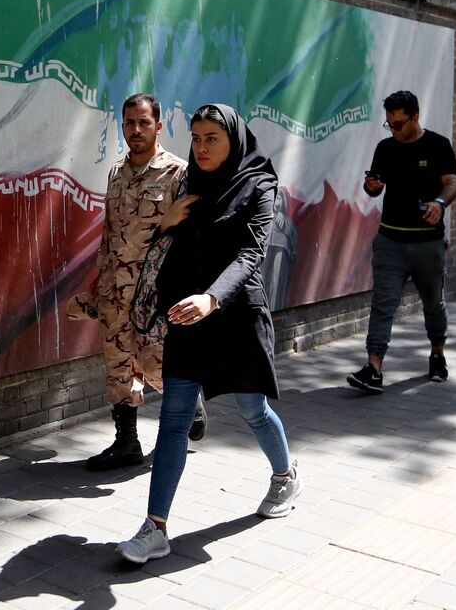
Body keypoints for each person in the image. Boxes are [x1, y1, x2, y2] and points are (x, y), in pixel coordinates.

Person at [116, 103, 301, 564]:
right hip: (187, 314)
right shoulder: (188, 182)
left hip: (235, 314)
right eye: (195, 138)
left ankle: (285, 476)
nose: (200, 147)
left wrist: (212, 299)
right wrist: (166, 224)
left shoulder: (260, 183)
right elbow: (162, 243)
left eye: (211, 139)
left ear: (233, 140)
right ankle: (155, 527)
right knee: (174, 419)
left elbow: (251, 252)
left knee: (251, 409)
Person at [72, 94, 207, 472]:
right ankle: (126, 443)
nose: (135, 130)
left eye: (143, 122)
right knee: (118, 364)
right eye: (129, 122)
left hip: (156, 290)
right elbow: (111, 232)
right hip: (117, 287)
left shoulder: (178, 173)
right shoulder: (116, 172)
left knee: (156, 361)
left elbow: (189, 236)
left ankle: (189, 400)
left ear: (158, 126)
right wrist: (100, 281)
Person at [348, 90, 456, 394]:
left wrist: (439, 203)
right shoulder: (385, 148)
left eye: (399, 124)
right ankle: (374, 368)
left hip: (427, 244)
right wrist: (371, 186)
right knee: (383, 304)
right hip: (390, 241)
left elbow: (452, 182)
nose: (394, 130)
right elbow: (374, 189)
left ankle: (437, 353)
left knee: (433, 304)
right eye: (390, 124)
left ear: (415, 117)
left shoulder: (437, 146)